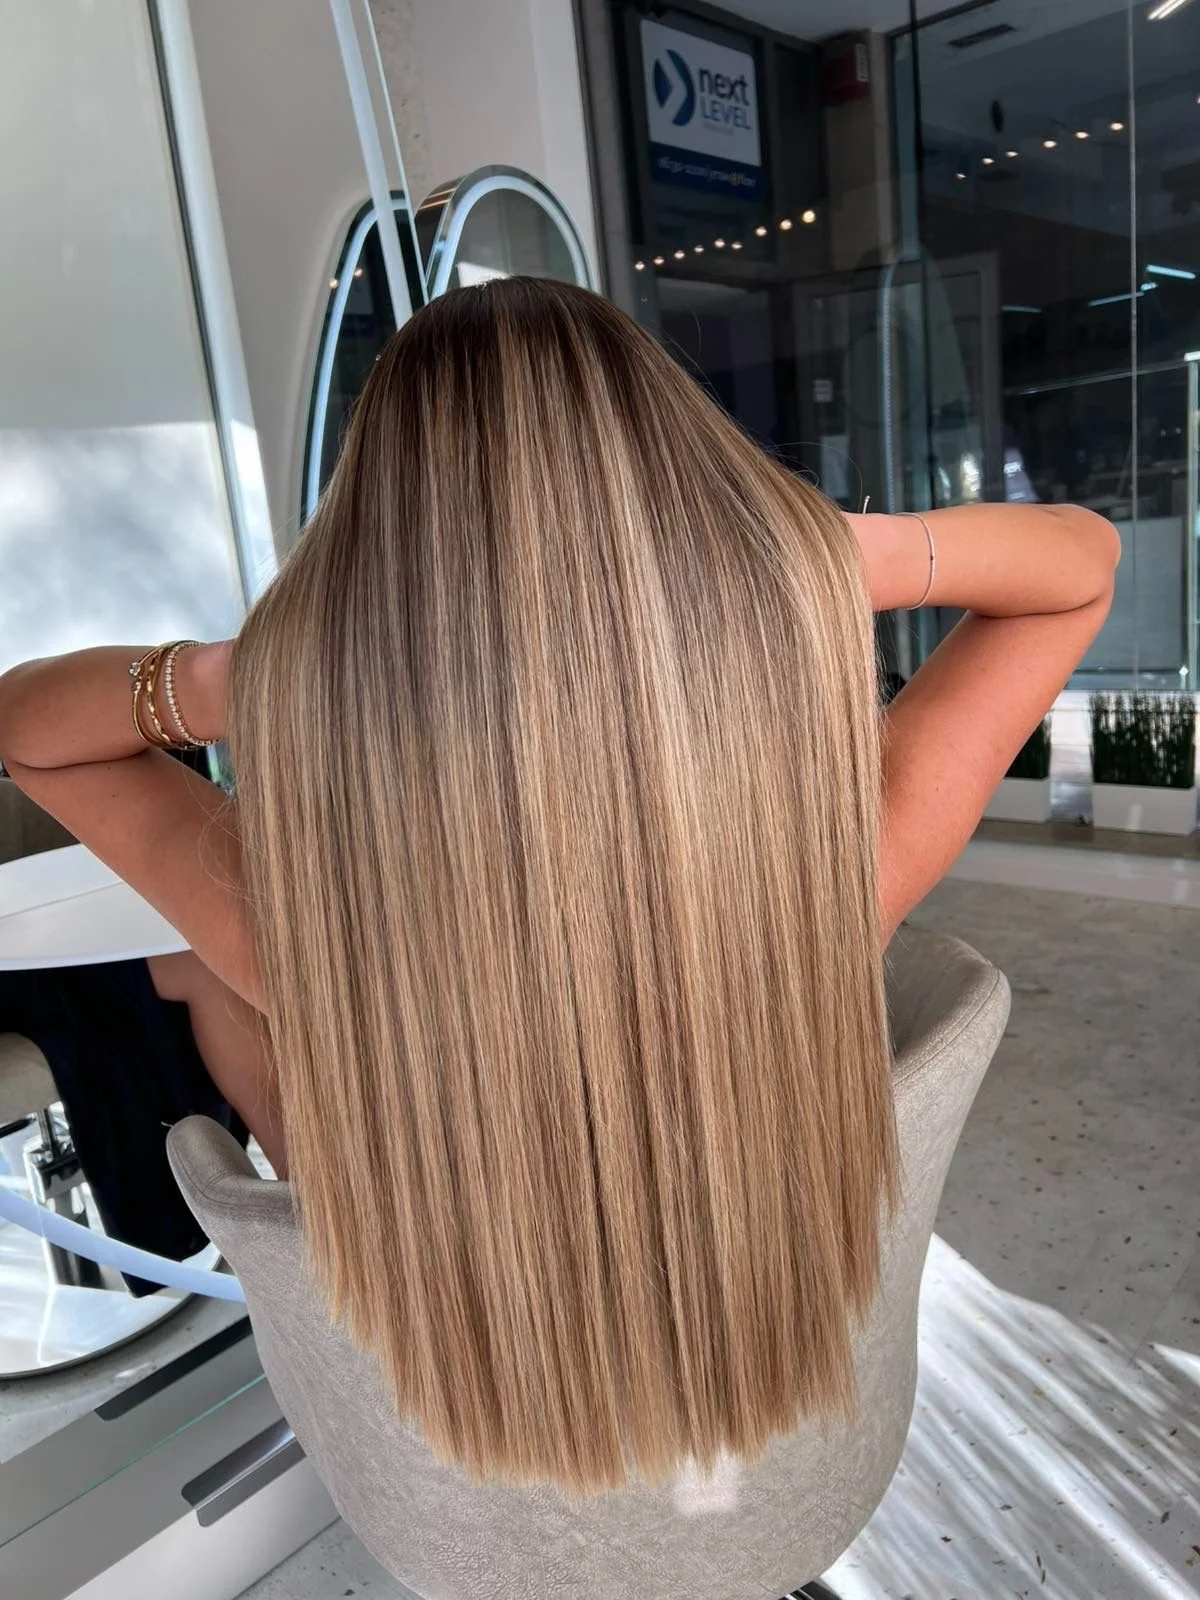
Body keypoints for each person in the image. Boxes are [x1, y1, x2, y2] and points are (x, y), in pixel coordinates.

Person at [0, 278, 1118, 1495]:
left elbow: (32, 729)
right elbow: (1081, 564)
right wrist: (828, 556)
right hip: (790, 1440)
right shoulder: (833, 892)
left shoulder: (317, 950)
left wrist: (257, 669)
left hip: (454, 1473)